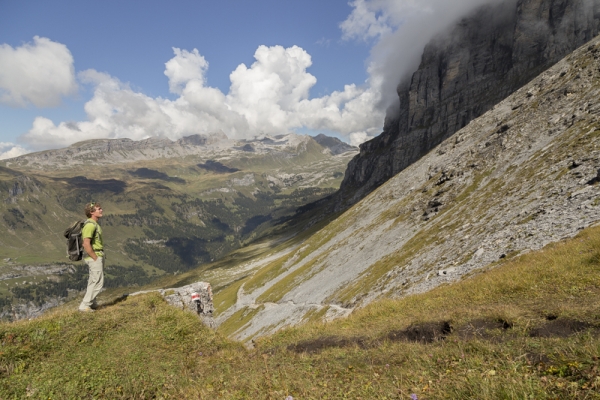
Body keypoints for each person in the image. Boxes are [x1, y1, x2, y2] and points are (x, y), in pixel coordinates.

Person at [79, 202, 105, 312]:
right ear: (92, 212)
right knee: (98, 282)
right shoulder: (90, 225)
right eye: (99, 209)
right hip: (94, 257)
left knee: (93, 281)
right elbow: (86, 243)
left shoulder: (94, 224)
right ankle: (85, 305)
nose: (101, 210)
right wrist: (95, 257)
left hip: (97, 255)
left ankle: (92, 303)